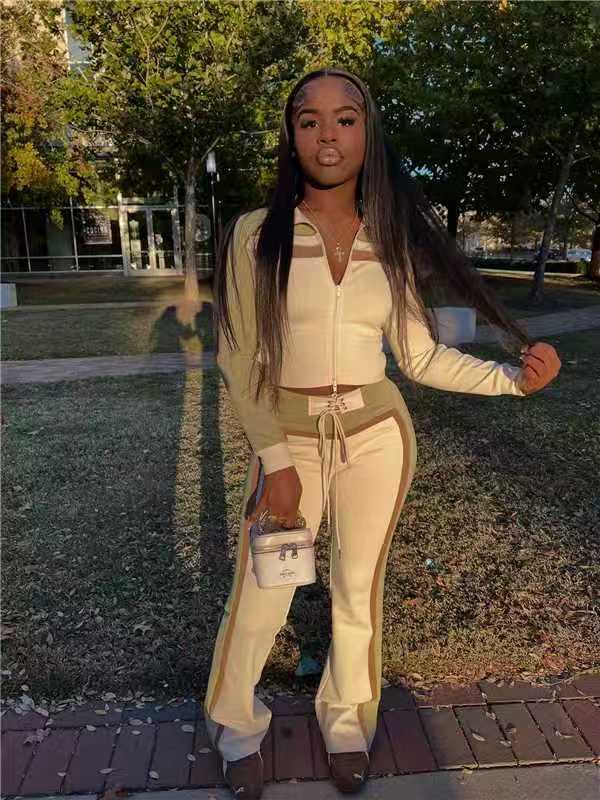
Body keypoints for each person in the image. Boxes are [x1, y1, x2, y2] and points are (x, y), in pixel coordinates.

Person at [203, 67, 561, 799]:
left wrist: (510, 379)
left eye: (346, 119)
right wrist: (276, 462)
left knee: (358, 590)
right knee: (264, 593)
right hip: (289, 440)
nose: (327, 135)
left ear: (368, 134)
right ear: (291, 136)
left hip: (376, 434)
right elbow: (240, 361)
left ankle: (347, 722)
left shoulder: (388, 240)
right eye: (309, 121)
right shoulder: (254, 235)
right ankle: (236, 725)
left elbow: (420, 357)